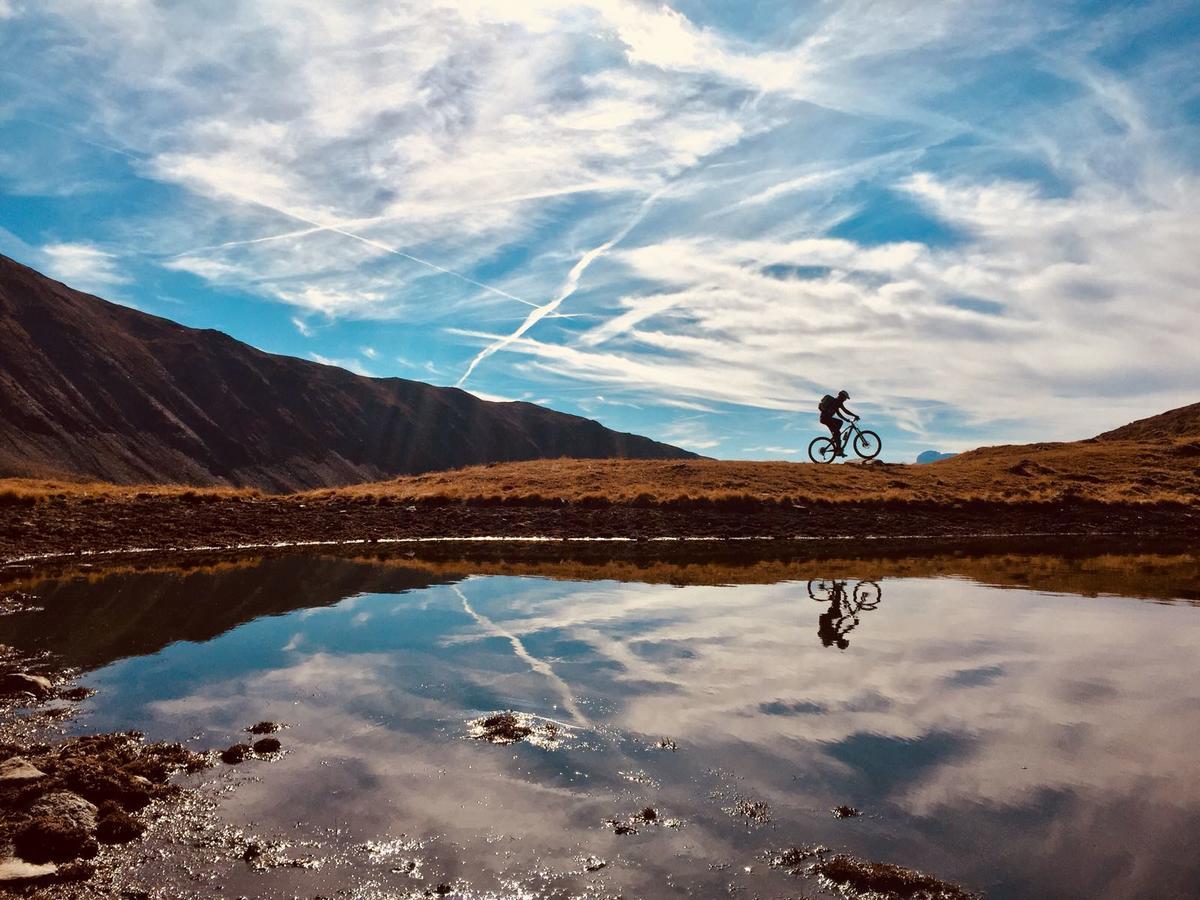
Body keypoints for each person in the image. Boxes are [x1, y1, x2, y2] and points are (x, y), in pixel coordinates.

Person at [818, 390, 858, 457]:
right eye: (845, 398)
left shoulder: (836, 402)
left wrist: (845, 419)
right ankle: (838, 451)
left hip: (826, 419)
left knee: (840, 422)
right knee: (838, 433)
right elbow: (845, 411)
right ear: (841, 396)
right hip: (826, 418)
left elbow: (839, 414)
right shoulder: (836, 402)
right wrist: (855, 415)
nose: (845, 400)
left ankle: (835, 436)